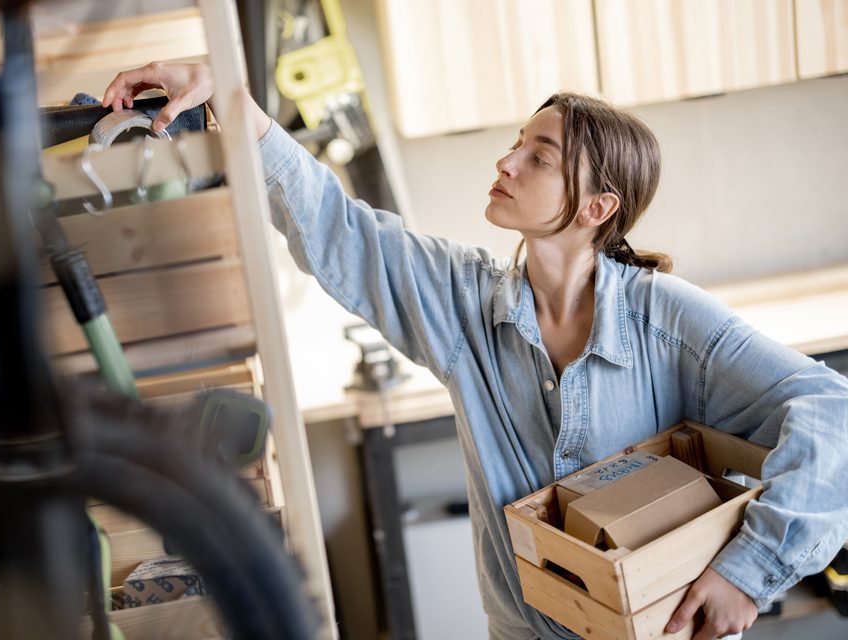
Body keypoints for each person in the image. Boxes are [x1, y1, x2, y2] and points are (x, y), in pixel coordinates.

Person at [103, 62, 848, 640]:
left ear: (597, 208)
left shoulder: (667, 322)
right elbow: (337, 226)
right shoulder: (465, 305)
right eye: (515, 144)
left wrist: (748, 572)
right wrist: (226, 97)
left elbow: (832, 412)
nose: (508, 162)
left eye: (539, 156)